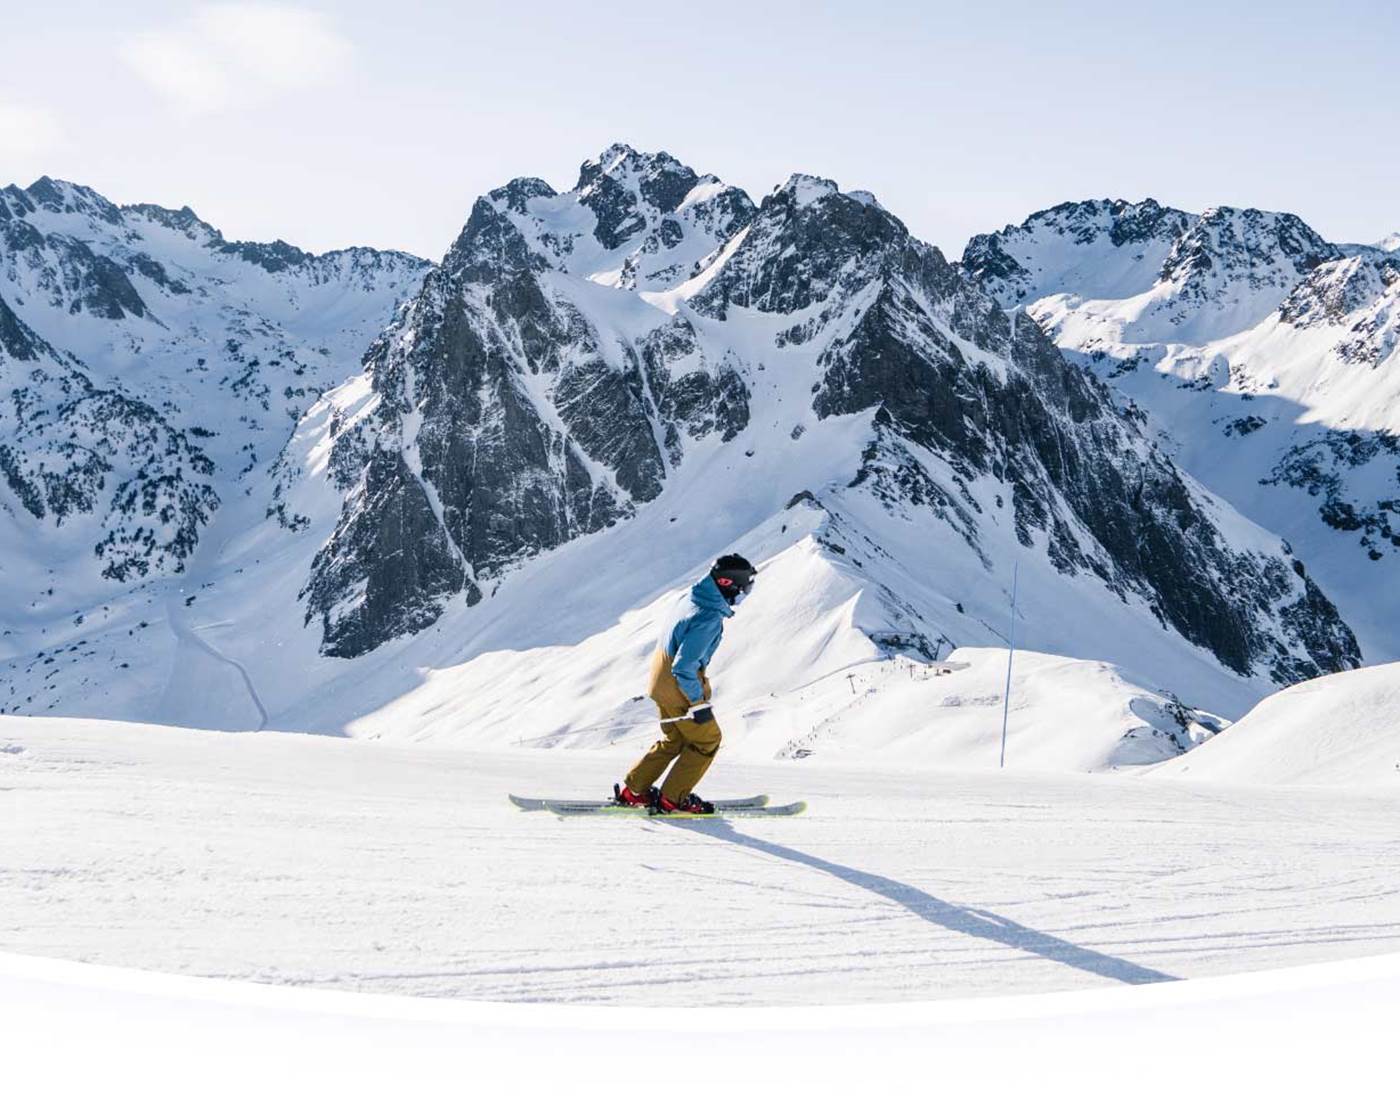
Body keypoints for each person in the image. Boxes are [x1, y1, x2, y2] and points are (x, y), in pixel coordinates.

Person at [614, 554, 757, 814]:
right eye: (743, 587)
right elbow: (684, 666)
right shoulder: (708, 616)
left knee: (676, 739)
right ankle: (673, 800)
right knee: (708, 740)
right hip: (679, 684)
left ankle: (635, 791)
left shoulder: (691, 597)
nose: (743, 594)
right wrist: (697, 703)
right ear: (727, 583)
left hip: (659, 680)